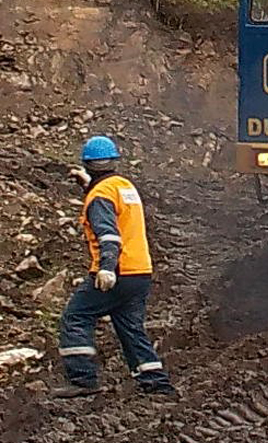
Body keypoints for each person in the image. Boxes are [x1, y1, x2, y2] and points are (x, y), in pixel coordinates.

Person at [53, 136, 175, 399]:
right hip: (140, 272)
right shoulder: (123, 186)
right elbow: (114, 209)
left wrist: (107, 268)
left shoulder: (99, 196)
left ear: (86, 163)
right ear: (115, 161)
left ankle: (83, 379)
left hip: (116, 271)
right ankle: (156, 383)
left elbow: (108, 233)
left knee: (75, 317)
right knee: (131, 327)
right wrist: (89, 185)